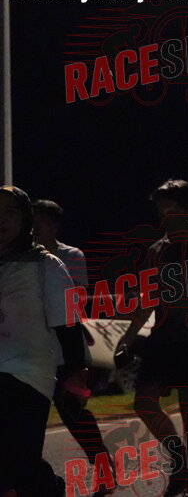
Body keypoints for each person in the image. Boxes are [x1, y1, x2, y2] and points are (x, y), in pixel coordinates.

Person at [118, 179, 188, 497]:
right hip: (161, 338)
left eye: (169, 207)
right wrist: (128, 337)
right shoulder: (156, 249)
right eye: (159, 207)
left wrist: (179, 225)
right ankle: (181, 460)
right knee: (144, 403)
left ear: (187, 209)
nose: (162, 213)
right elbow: (148, 297)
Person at [0, 186, 89, 496]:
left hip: (27, 375)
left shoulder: (46, 264)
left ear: (25, 219)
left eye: (10, 212)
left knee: (20, 462)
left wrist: (76, 373)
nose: (1, 219)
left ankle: (49, 488)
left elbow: (68, 322)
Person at [32, 200, 113, 493]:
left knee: (73, 412)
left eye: (39, 222)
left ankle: (103, 467)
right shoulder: (21, 258)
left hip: (66, 350)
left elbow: (75, 300)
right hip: (34, 350)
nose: (33, 228)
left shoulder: (70, 256)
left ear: (54, 225)